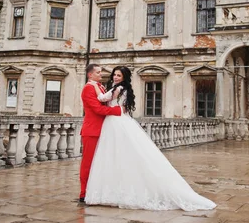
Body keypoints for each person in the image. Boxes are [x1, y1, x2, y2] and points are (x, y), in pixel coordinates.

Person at [85, 66, 216, 211]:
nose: (115, 77)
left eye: (118, 76)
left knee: (115, 155)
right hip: (120, 121)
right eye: (114, 75)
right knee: (120, 155)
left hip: (115, 121)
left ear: (124, 78)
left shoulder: (117, 88)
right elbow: (119, 106)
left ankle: (114, 190)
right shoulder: (122, 88)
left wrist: (93, 85)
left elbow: (101, 99)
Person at [79, 63, 122, 203]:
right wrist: (117, 111)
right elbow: (97, 109)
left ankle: (97, 190)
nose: (101, 74)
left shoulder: (100, 87)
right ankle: (83, 193)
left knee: (100, 163)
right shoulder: (88, 89)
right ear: (90, 74)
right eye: (97, 72)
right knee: (88, 163)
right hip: (92, 131)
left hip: (103, 130)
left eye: (100, 72)